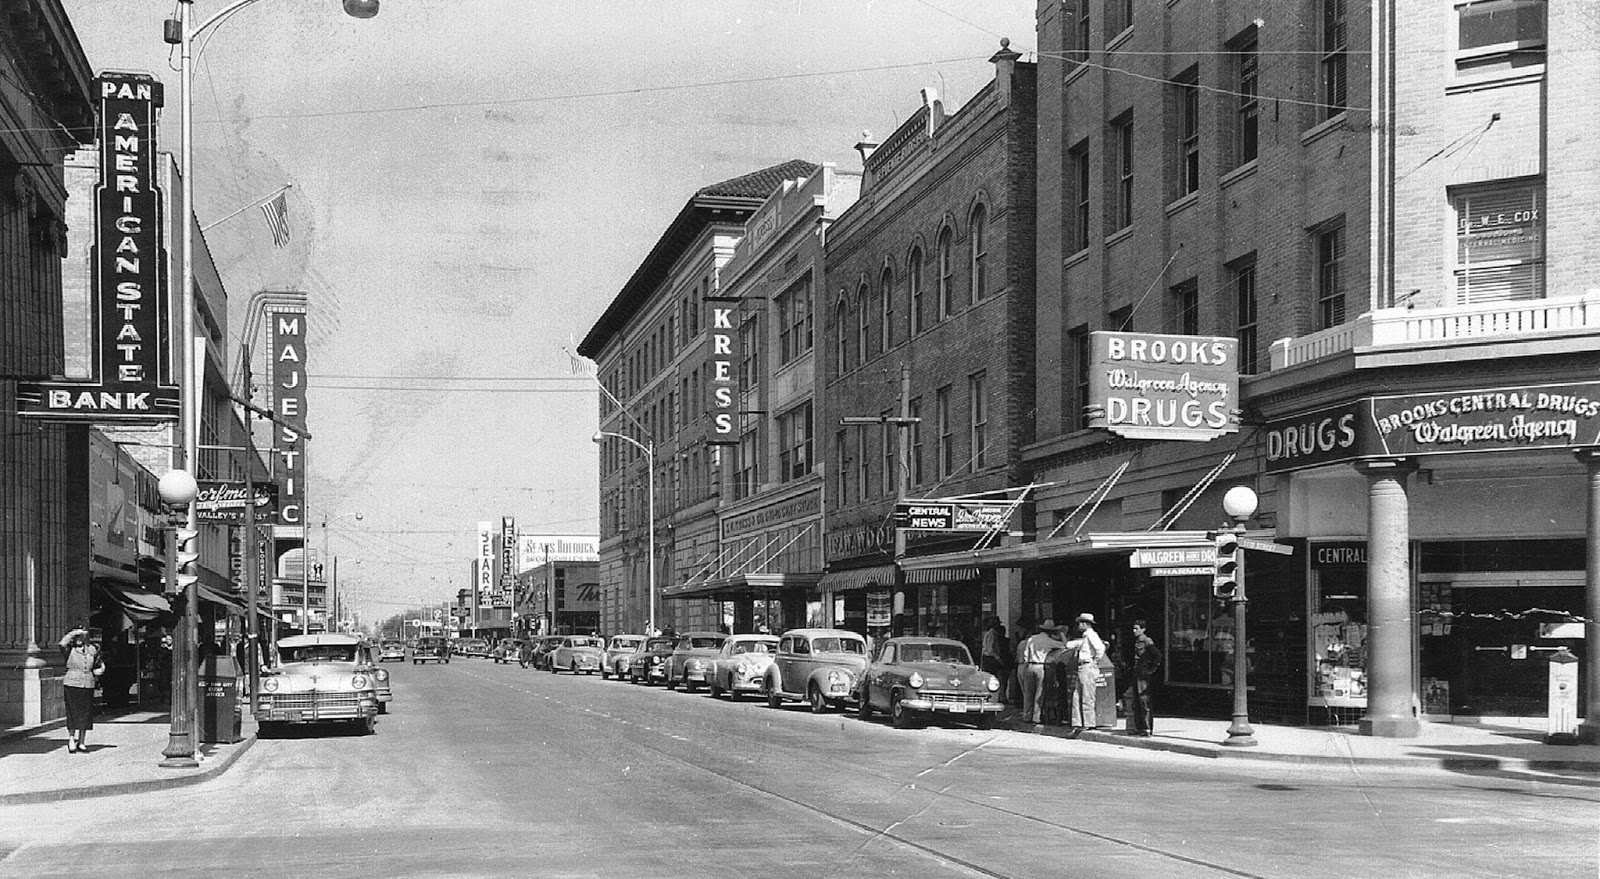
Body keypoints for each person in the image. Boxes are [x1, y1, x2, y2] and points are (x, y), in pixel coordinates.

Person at [58, 627, 105, 754]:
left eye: (82, 637)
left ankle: (82, 741)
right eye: (77, 637)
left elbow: (98, 663)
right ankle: (71, 739)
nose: (79, 640)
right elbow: (62, 643)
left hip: (87, 683)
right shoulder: (69, 650)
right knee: (73, 711)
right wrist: (73, 633)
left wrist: (99, 670)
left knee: (86, 712)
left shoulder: (92, 650)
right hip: (72, 683)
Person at [1120, 619, 1164, 736]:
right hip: (1137, 673)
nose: (1134, 631)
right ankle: (1139, 727)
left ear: (1143, 629)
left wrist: (1151, 669)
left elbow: (1157, 655)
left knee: (1144, 701)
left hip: (1143, 675)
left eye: (1137, 629)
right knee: (1136, 701)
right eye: (1133, 628)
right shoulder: (1137, 642)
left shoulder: (1147, 641)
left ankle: (1146, 728)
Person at [1066, 612, 1106, 735]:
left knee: (1087, 695)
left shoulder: (1091, 635)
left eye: (1080, 623)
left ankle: (1089, 722)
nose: (1078, 625)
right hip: (1083, 667)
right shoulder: (1085, 636)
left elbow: (1100, 648)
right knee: (1077, 695)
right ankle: (1078, 722)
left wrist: (1094, 661)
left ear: (1084, 623)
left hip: (1087, 666)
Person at [1017, 620, 1065, 725]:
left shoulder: (1032, 639)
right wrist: (1061, 634)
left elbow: (1026, 654)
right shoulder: (1049, 641)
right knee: (1039, 692)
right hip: (1040, 666)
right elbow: (1065, 645)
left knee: (1028, 692)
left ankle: (1027, 715)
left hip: (1029, 665)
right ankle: (1036, 717)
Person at [980, 618, 1008, 703]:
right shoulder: (992, 634)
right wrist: (998, 659)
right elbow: (990, 649)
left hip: (989, 658)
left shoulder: (990, 634)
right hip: (991, 659)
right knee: (997, 678)